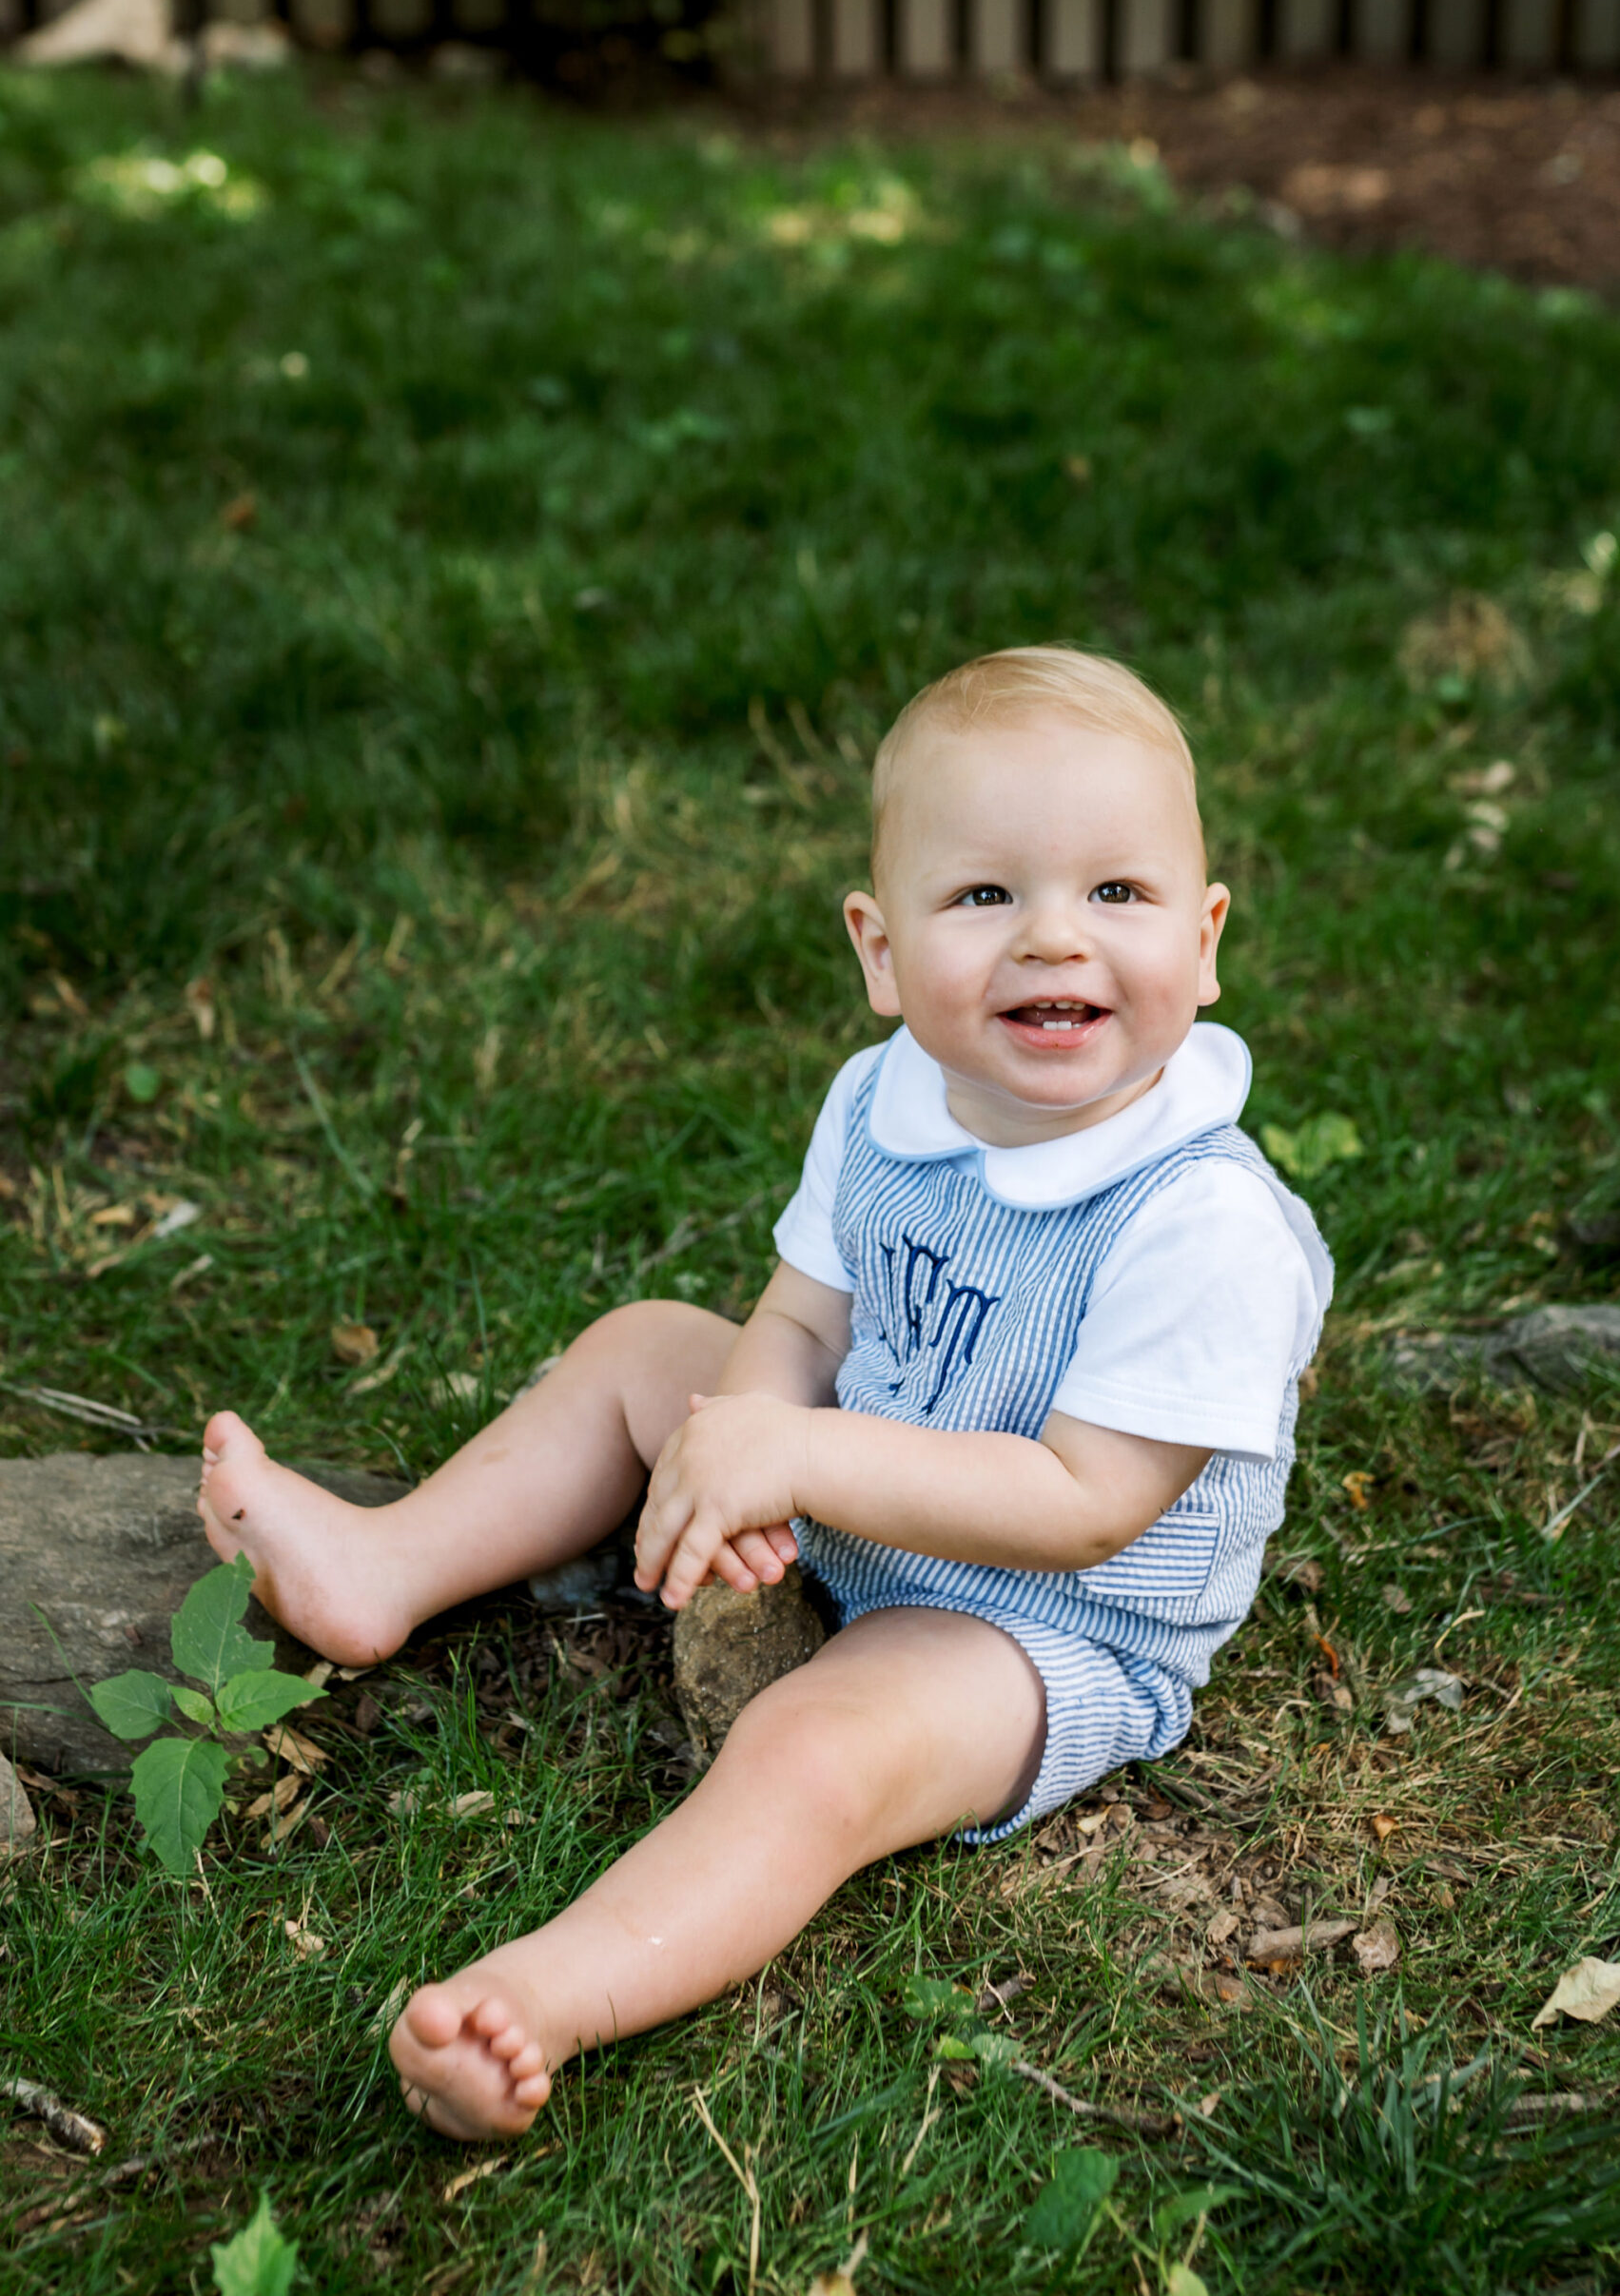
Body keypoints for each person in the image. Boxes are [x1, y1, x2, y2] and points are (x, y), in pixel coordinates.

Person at [197, 645, 1331, 2142]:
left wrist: (795, 1455)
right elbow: (802, 1316)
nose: (1055, 940)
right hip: (852, 1471)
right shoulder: (885, 1101)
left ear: (1205, 936)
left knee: (813, 1750)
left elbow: (1086, 1506)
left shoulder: (1201, 1222)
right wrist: (733, 1446)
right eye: (985, 895)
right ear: (878, 947)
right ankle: (380, 1565)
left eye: (1116, 895)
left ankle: (553, 1990)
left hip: (1040, 1623)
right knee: (641, 1347)